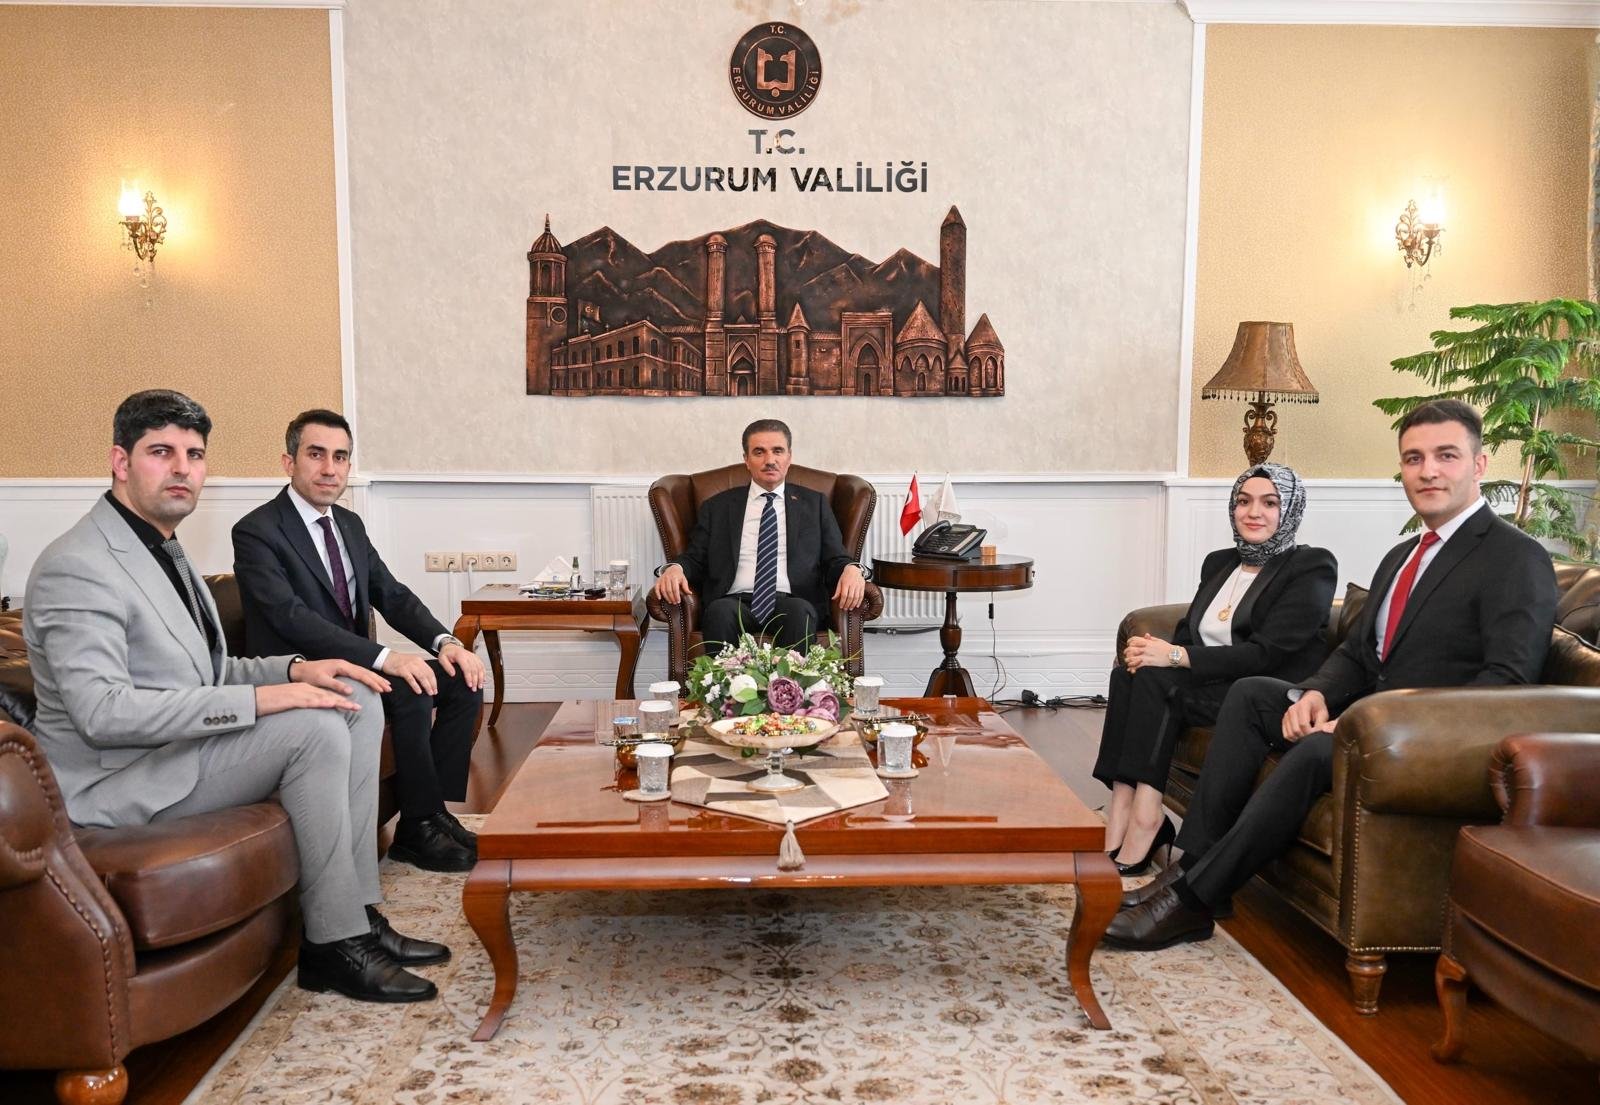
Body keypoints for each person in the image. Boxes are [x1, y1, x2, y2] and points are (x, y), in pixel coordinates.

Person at [24, 389, 448, 1003]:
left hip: (176, 750)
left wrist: (297, 669)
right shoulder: (79, 564)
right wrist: (265, 701)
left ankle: (355, 912)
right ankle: (332, 945)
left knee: (352, 693)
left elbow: (211, 669)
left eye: (194, 456)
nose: (181, 469)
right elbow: (103, 713)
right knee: (312, 728)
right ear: (121, 462)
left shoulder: (165, 549)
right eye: (161, 452)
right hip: (119, 780)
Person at [1107, 399, 1557, 950]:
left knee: (1319, 749)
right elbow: (1359, 652)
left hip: (1429, 740)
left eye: (1446, 456)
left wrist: (1367, 719)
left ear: (1479, 464)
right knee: (1252, 696)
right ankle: (1192, 870)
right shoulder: (1402, 556)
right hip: (1371, 719)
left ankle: (1192, 900)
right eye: (1413, 458)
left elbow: (1507, 684)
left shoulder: (1516, 557)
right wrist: (1317, 694)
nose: (1428, 471)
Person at [232, 409, 486, 873]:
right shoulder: (257, 531)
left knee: (461, 680)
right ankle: (418, 827)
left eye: (340, 457)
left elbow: (391, 594)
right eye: (316, 455)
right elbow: (291, 618)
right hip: (304, 672)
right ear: (289, 462)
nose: (329, 468)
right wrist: (386, 658)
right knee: (409, 685)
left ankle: (432, 812)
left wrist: (446, 642)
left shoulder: (348, 524)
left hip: (358, 666)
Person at [1095, 463, 1336, 876]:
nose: (1253, 512)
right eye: (1244, 501)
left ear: (1290, 509)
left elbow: (1266, 654)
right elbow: (1190, 632)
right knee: (1127, 673)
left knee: (1156, 677)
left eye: (1269, 503)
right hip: (1211, 682)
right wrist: (1152, 649)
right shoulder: (1220, 563)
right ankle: (1122, 804)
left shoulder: (1310, 567)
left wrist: (1174, 657)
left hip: (1264, 691)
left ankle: (1147, 817)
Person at [651, 418, 867, 654]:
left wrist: (852, 569)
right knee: (719, 612)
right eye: (759, 452)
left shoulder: (814, 504)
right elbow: (695, 557)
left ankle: (793, 678)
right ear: (746, 459)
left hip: (792, 601)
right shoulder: (718, 507)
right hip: (733, 600)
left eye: (778, 451)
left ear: (789, 457)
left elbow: (835, 557)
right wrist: (675, 568)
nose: (770, 460)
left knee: (799, 612)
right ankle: (722, 679)